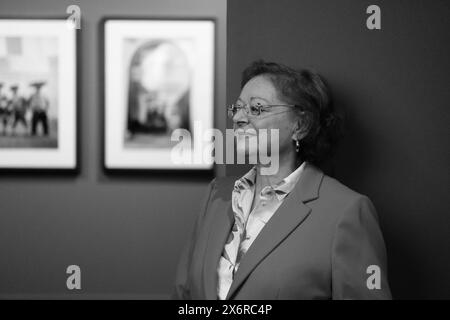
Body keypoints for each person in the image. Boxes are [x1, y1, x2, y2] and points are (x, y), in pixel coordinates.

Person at [173, 60, 392, 300]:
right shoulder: (216, 195)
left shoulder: (346, 211)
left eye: (256, 108)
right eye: (237, 108)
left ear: (300, 125)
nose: (238, 117)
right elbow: (184, 294)